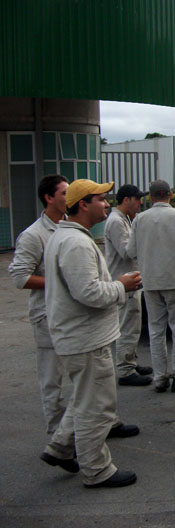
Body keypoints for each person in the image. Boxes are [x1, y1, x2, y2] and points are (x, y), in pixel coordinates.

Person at [40, 179, 141, 488]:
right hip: (85, 338)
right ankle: (96, 469)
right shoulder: (76, 243)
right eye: (100, 199)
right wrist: (121, 286)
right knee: (95, 406)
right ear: (83, 204)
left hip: (78, 336)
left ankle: (60, 447)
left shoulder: (69, 236)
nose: (106, 203)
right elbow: (89, 293)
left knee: (84, 398)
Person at [9, 175, 71, 435]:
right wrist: (58, 281)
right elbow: (20, 277)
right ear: (49, 197)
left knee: (85, 373)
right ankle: (58, 433)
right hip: (47, 315)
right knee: (52, 377)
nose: (70, 198)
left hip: (71, 314)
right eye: (65, 193)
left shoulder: (70, 226)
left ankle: (93, 423)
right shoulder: (33, 235)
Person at [127, 180, 175, 393]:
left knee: (156, 330)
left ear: (150, 197)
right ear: (169, 195)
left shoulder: (140, 219)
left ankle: (160, 378)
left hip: (150, 281)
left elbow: (131, 251)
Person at [104, 184, 152, 386]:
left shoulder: (123, 220)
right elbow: (126, 251)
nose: (140, 203)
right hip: (123, 281)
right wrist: (142, 236)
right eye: (137, 199)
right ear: (126, 200)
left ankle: (130, 360)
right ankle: (125, 369)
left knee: (132, 324)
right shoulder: (116, 222)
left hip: (130, 280)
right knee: (128, 326)